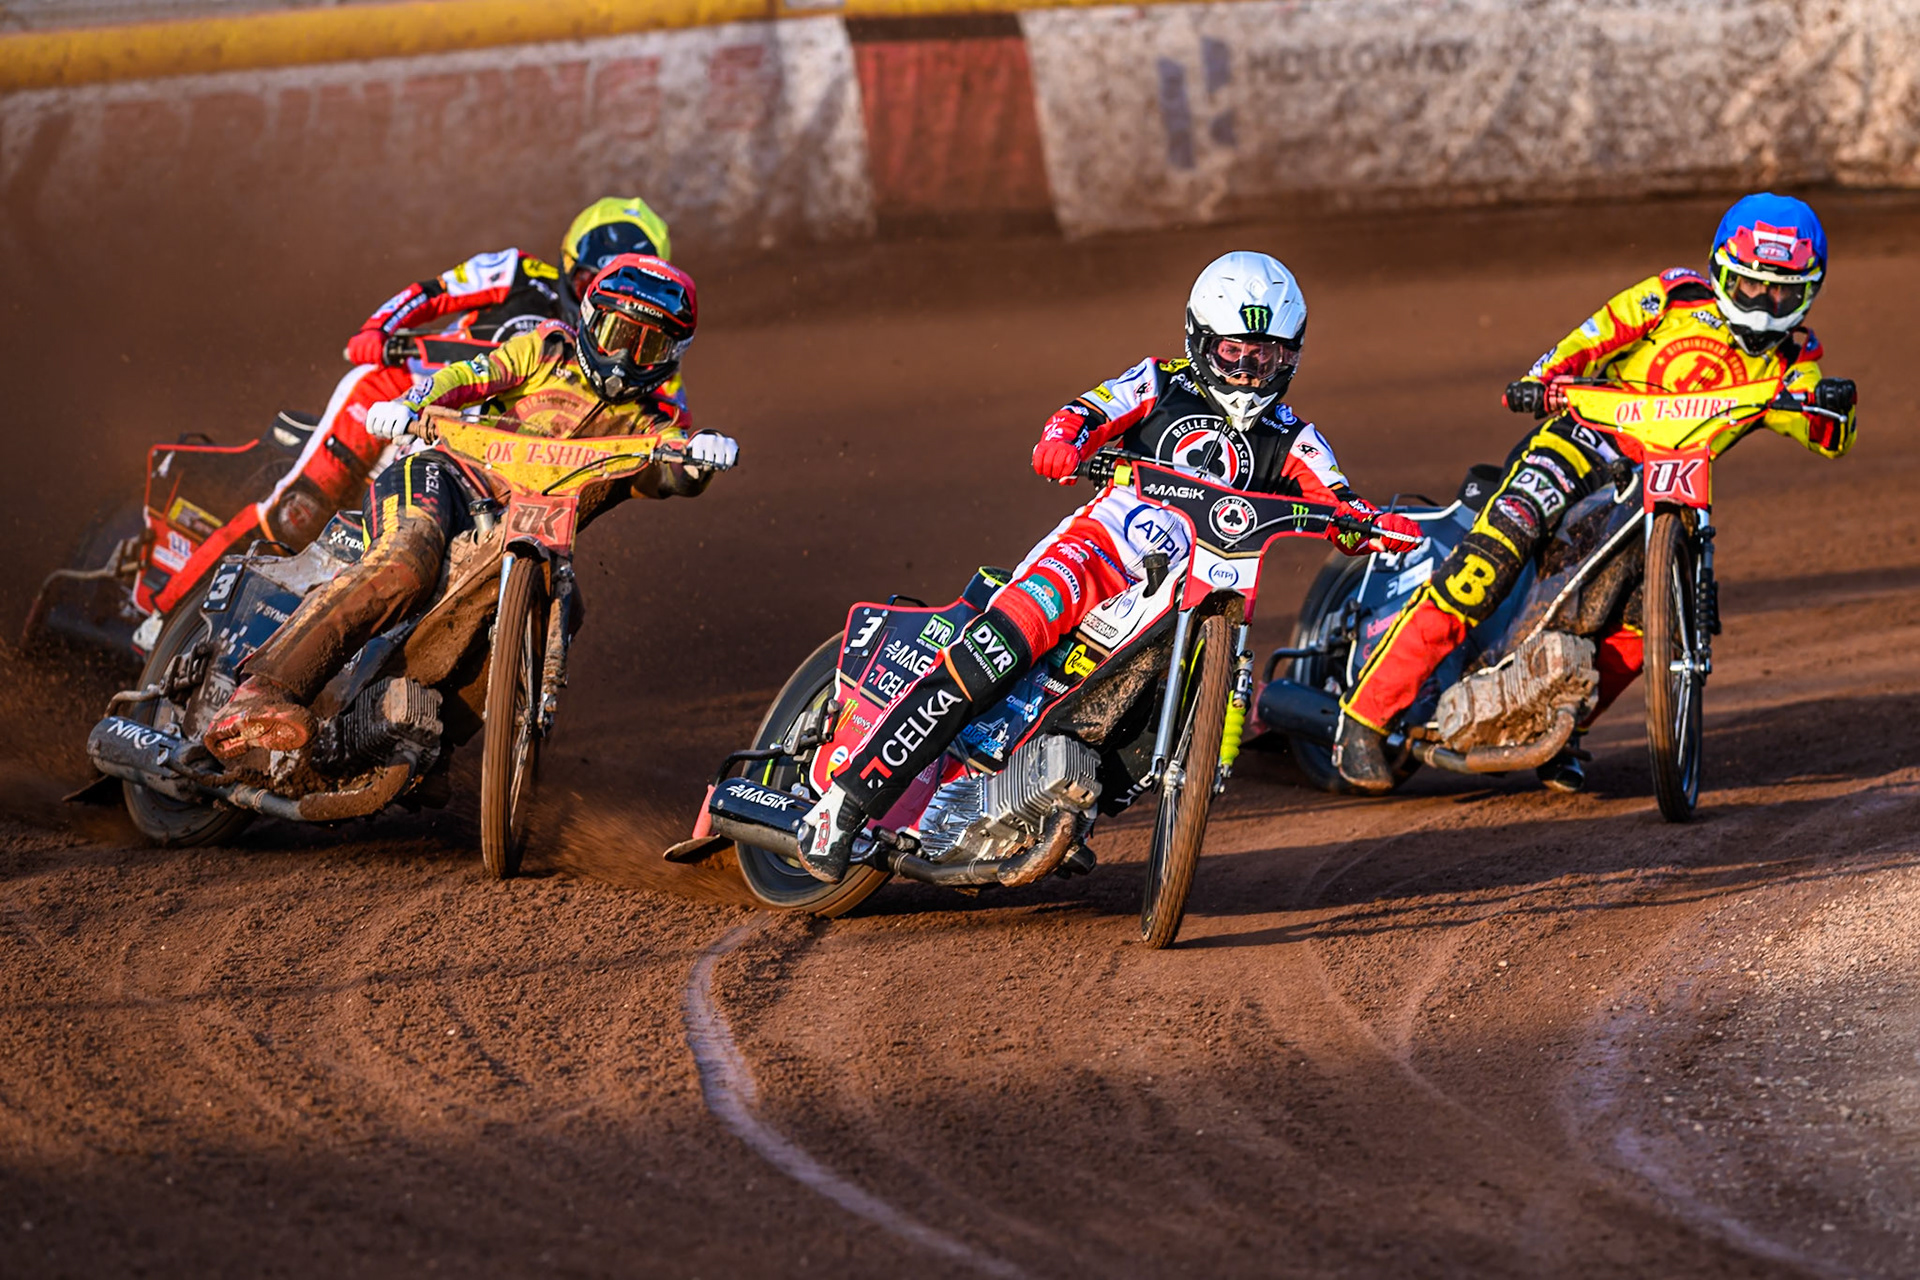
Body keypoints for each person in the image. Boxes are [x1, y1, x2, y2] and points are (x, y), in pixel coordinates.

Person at [796, 251, 1424, 882]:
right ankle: (845, 803)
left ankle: (1068, 794)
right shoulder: (1157, 381)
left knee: (1185, 693)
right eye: (1237, 352)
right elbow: (1086, 412)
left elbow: (1342, 503)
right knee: (993, 653)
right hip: (1098, 553)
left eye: (1269, 358)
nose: (1252, 373)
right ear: (1200, 340)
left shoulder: (1294, 437)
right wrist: (1062, 441)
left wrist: (1375, 527)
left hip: (1194, 591)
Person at [1334, 192, 1859, 794]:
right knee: (1492, 557)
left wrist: (1831, 408)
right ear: (1721, 272)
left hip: (1666, 482)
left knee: (1649, 617)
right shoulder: (1673, 296)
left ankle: (1559, 724)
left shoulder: (1795, 361)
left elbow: (1828, 437)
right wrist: (1541, 379)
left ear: (1809, 292)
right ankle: (1364, 717)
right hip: (1583, 440)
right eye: (1750, 287)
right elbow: (1589, 338)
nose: (1766, 309)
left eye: (1783, 294)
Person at [203, 254, 737, 760]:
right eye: (618, 334)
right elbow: (471, 375)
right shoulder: (547, 346)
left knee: (563, 609)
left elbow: (667, 472)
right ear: (591, 321)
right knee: (405, 562)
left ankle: (425, 748)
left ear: (672, 354)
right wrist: (414, 403)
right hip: (449, 478)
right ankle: (262, 691)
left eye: (647, 346)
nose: (624, 357)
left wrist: (697, 462)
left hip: (530, 529)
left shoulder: (656, 416)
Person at [151, 197, 676, 619]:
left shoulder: (634, 364)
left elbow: (667, 423)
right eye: (590, 283)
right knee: (297, 512)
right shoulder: (521, 272)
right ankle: (165, 615)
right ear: (569, 266)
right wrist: (377, 331)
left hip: (476, 456)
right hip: (398, 393)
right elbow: (434, 293)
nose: (605, 310)